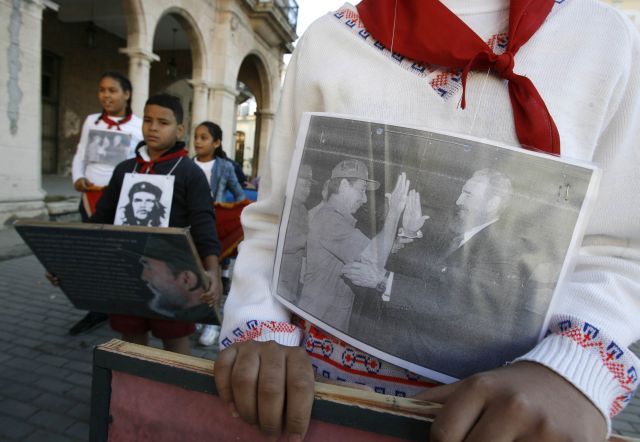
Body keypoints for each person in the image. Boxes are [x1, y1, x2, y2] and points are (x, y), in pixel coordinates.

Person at [215, 1, 640, 441]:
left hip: (504, 424)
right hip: (320, 406)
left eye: (470, 192)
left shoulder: (606, 38)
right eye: (358, 189)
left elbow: (619, 249)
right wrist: (260, 323)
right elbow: (275, 223)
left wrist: (570, 372)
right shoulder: (331, 38)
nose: (459, 199)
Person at [344, 168, 541, 378]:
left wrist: (381, 280)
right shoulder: (461, 238)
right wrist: (409, 232)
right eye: (462, 192)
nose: (458, 201)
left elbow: (450, 300)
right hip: (417, 351)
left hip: (439, 366)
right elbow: (420, 274)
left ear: (492, 204)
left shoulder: (497, 251)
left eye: (468, 195)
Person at [89, 93, 222, 355]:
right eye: (148, 120)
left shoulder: (189, 172)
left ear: (179, 129)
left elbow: (204, 223)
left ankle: (178, 395)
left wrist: (213, 272)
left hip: (172, 274)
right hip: (127, 270)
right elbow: (101, 219)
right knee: (131, 342)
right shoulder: (124, 169)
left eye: (163, 122)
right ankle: (136, 393)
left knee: (174, 347)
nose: (153, 127)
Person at [68, 71, 143, 336]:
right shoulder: (91, 121)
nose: (106, 96)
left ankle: (120, 305)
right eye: (102, 90)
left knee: (118, 253)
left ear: (127, 94)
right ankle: (96, 309)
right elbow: (80, 154)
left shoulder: (139, 126)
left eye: (112, 90)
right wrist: (77, 177)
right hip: (90, 198)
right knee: (92, 254)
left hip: (119, 199)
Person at [296, 159, 410, 331]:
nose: (364, 199)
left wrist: (399, 240)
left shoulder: (337, 220)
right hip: (318, 325)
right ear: (343, 185)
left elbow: (369, 250)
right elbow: (374, 258)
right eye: (361, 190)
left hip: (324, 322)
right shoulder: (330, 220)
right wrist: (393, 212)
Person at [193, 121, 248, 346]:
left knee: (212, 273)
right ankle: (199, 314)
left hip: (215, 227)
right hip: (192, 226)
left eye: (204, 138)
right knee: (195, 272)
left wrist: (231, 213)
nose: (197, 141)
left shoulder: (225, 166)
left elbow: (238, 194)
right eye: (196, 137)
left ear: (216, 143)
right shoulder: (187, 165)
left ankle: (213, 322)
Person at [278, 164, 315, 302]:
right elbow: (281, 243)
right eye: (304, 185)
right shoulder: (282, 207)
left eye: (309, 186)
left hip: (294, 278)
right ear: (292, 183)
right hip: (279, 278)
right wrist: (309, 239)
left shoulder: (304, 210)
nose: (308, 190)